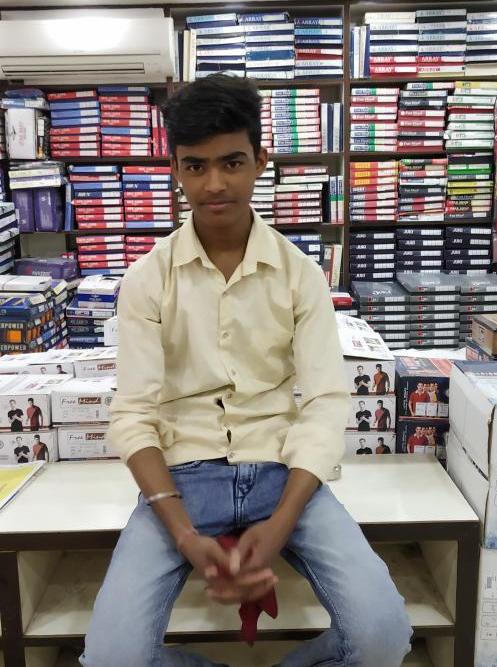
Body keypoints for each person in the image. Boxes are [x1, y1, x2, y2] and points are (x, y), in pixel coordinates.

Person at [80, 74, 411, 667]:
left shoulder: (299, 274)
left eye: (232, 162)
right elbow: (132, 414)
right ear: (175, 170)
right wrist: (184, 533)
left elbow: (326, 402)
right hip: (181, 476)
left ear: (261, 160)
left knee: (384, 637)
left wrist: (282, 521)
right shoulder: (147, 279)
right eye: (196, 166)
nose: (214, 184)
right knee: (110, 658)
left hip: (283, 472)